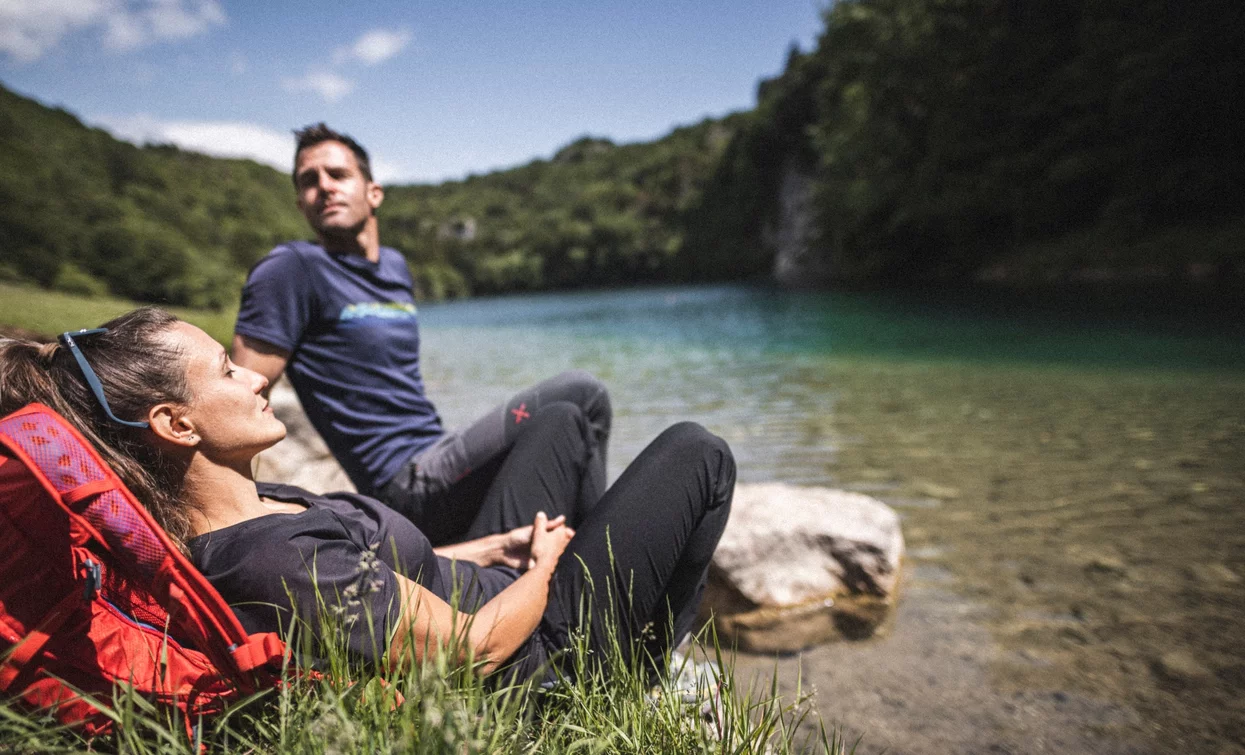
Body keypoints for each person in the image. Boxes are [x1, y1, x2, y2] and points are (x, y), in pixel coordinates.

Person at [0, 309, 734, 682]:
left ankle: (617, 615)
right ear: (176, 424)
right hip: (531, 653)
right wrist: (545, 566)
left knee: (561, 422)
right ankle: (642, 672)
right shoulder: (273, 561)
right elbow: (473, 651)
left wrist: (488, 548)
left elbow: (372, 571)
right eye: (227, 370)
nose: (256, 377)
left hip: (485, 585)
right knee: (697, 453)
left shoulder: (257, 508)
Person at [232, 123, 611, 546]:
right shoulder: (290, 270)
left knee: (566, 419)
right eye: (309, 181)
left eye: (338, 174)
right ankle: (606, 556)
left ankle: (586, 560)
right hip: (402, 483)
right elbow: (239, 397)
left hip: (439, 454)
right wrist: (239, 517)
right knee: (584, 391)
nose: (324, 187)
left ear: (374, 192)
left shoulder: (395, 266)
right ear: (301, 204)